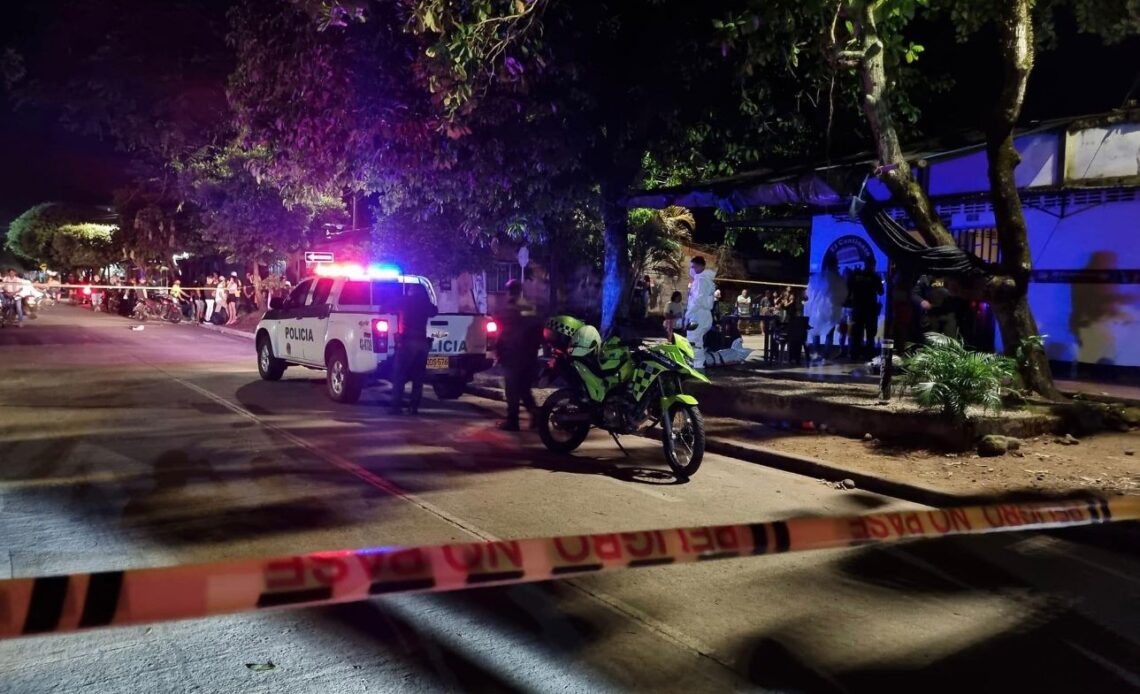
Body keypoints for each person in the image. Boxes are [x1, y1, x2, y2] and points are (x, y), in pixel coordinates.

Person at [496, 279, 541, 430]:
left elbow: (503, 333)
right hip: (529, 355)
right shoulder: (530, 307)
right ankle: (536, 415)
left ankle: (512, 421)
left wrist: (500, 351)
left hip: (513, 355)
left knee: (512, 390)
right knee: (523, 388)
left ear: (509, 291)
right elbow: (537, 329)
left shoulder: (509, 308)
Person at [389, 283, 438, 415]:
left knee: (399, 375)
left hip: (407, 343)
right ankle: (413, 407)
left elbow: (388, 306)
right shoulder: (425, 303)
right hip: (422, 344)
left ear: (411, 290)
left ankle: (396, 407)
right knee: (418, 378)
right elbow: (434, 311)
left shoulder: (405, 300)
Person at [684, 256, 717, 370]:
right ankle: (697, 363)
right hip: (703, 315)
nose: (691, 269)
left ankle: (696, 365)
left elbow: (697, 300)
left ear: (700, 266)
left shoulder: (700, 280)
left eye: (693, 267)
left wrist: (687, 315)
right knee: (697, 340)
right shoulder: (705, 279)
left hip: (698, 315)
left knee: (693, 340)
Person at [849, 262, 885, 360]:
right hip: (870, 309)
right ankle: (869, 355)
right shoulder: (875, 277)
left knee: (857, 333)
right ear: (873, 265)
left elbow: (850, 287)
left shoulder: (857, 275)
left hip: (858, 308)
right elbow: (881, 292)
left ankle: (855, 354)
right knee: (870, 334)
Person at [911, 274, 958, 339]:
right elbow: (914, 293)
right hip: (931, 315)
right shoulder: (924, 277)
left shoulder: (953, 273)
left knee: (950, 339)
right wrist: (921, 301)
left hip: (950, 314)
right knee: (931, 340)